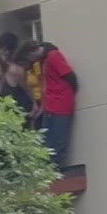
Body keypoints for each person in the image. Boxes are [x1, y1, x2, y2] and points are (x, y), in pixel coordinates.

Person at [17, 39, 77, 168]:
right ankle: (49, 168)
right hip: (52, 105)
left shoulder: (53, 56)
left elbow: (69, 76)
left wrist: (67, 94)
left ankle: (55, 169)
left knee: (57, 141)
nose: (31, 61)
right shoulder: (45, 60)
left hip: (60, 105)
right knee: (47, 141)